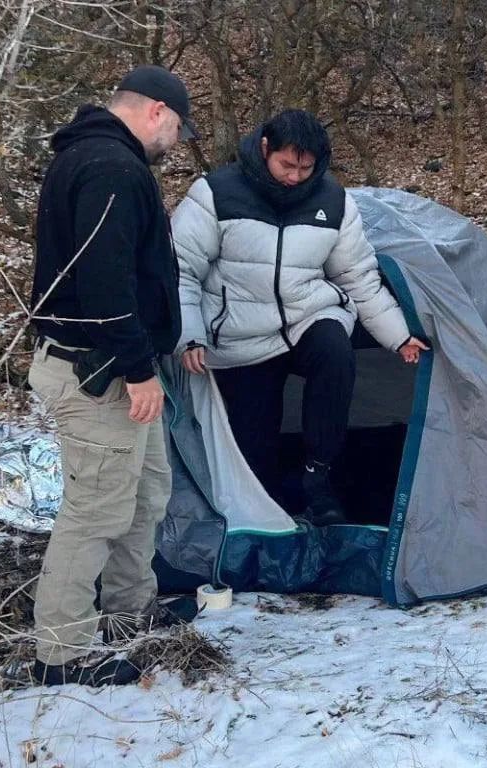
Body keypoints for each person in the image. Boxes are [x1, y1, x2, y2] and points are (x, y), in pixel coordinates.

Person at [171, 109, 428, 526]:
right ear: (265, 148)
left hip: (308, 317)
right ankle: (270, 506)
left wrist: (399, 336)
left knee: (335, 351)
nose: (294, 177)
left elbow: (357, 276)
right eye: (287, 165)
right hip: (240, 333)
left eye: (305, 169)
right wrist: (190, 335)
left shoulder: (333, 201)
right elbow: (180, 268)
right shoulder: (215, 194)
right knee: (255, 449)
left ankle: (318, 473)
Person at [28, 65, 198, 687]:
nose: (174, 142)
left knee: (147, 490)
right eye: (176, 128)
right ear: (156, 111)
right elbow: (103, 289)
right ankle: (61, 652)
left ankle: (129, 610)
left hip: (118, 368)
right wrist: (137, 369)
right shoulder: (111, 169)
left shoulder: (98, 159)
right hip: (98, 373)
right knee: (96, 510)